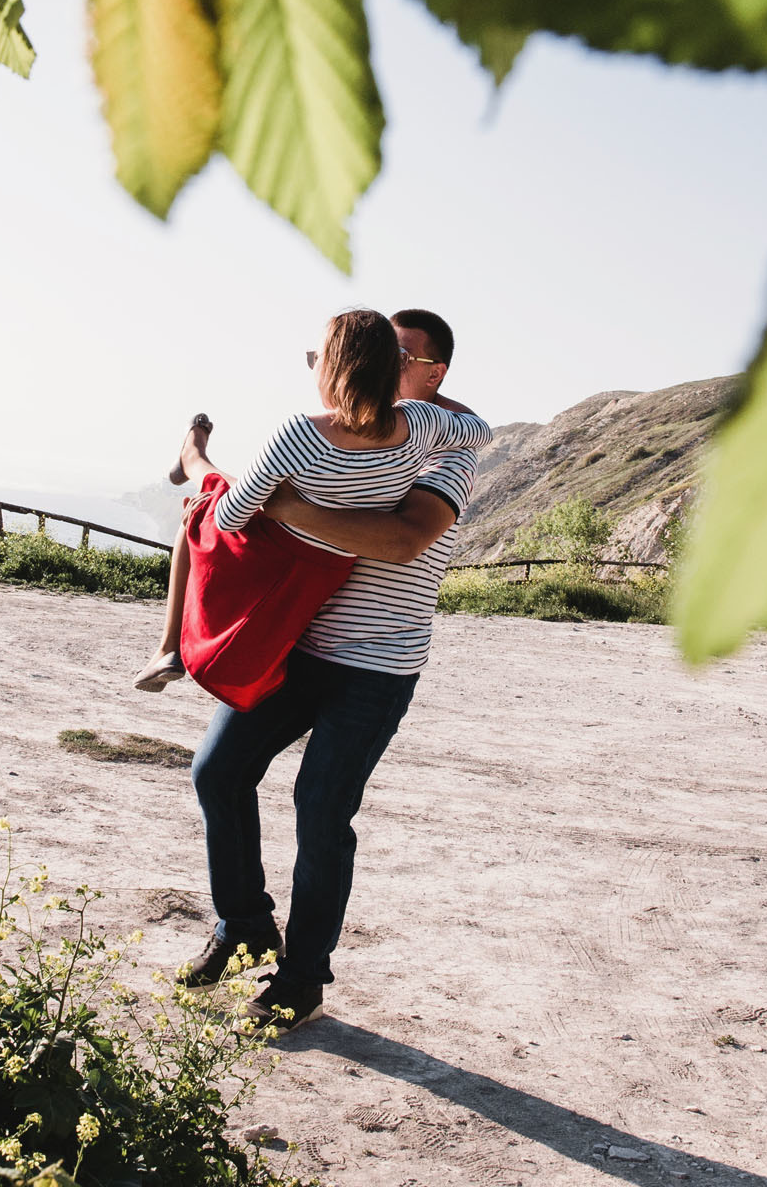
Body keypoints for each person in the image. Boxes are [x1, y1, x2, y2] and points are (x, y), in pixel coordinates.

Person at [173, 308, 485, 1030]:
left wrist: (284, 505)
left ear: (434, 373)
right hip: (298, 645)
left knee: (320, 810)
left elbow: (402, 539)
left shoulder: (446, 451)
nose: (385, 364)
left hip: (377, 663)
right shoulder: (343, 433)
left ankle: (303, 979)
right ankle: (244, 927)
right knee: (218, 772)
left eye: (403, 355)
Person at [132, 310, 487, 707]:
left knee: (203, 506)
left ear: (334, 367)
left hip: (278, 552)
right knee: (231, 491)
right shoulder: (421, 423)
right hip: (330, 567)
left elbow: (232, 517)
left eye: (315, 358)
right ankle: (194, 458)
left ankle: (192, 460)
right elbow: (480, 430)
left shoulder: (302, 433)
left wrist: (273, 504)